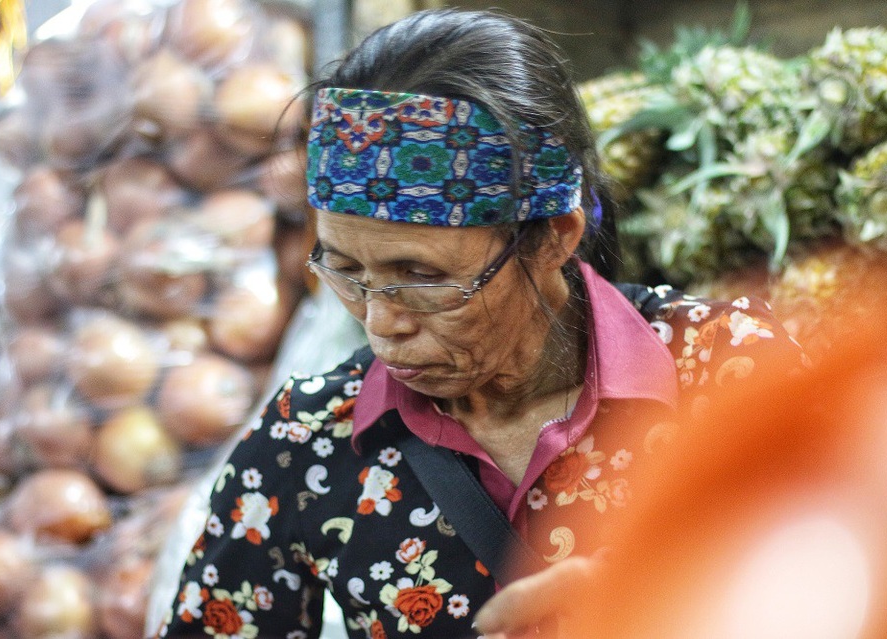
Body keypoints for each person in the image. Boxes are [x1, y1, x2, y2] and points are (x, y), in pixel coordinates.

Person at [152, 9, 804, 639]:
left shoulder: (734, 373)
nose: (382, 324)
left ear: (553, 236)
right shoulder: (309, 442)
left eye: (425, 277)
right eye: (346, 271)